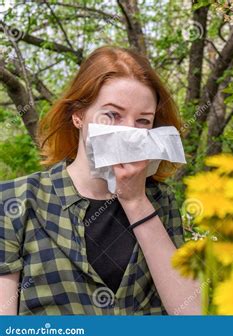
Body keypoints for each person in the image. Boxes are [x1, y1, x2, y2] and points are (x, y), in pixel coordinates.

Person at [0, 46, 201, 315]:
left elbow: (191, 313)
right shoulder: (15, 201)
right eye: (112, 115)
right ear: (79, 116)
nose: (128, 131)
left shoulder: (159, 200)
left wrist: (135, 200)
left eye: (143, 121)